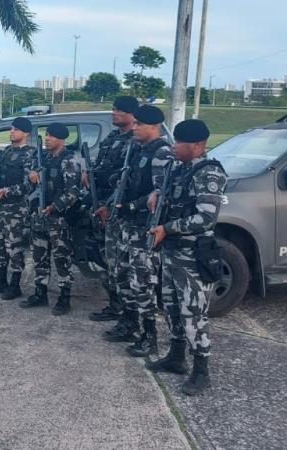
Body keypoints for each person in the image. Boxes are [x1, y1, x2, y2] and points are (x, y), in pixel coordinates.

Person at [146, 119, 227, 396]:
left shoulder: (209, 172)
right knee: (171, 306)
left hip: (192, 255)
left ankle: (201, 371)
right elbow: (169, 196)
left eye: (180, 143)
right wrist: (156, 193)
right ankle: (176, 356)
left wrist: (167, 228)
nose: (175, 146)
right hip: (171, 252)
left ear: (198, 145)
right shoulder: (179, 168)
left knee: (193, 312)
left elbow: (206, 217)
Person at [112, 105, 177, 357]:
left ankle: (150, 336)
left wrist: (133, 205)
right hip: (127, 225)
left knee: (143, 282)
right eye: (135, 123)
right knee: (123, 275)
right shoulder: (136, 149)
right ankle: (129, 322)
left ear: (154, 126)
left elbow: (161, 194)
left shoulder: (161, 153)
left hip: (144, 229)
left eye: (139, 124)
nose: (134, 128)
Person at [87, 96, 140, 322]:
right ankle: (115, 303)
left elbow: (127, 181)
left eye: (118, 110)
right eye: (113, 109)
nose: (113, 113)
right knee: (104, 258)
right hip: (99, 202)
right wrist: (88, 172)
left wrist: (110, 205)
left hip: (117, 207)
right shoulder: (112, 137)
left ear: (132, 115)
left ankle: (127, 310)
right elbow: (100, 165)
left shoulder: (135, 141)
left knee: (121, 262)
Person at [22, 123, 81, 315]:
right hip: (39, 216)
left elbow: (73, 192)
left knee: (62, 259)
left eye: (51, 136)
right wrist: (31, 177)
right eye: (46, 135)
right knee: (39, 257)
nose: (47, 139)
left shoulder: (68, 160)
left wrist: (54, 206)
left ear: (61, 139)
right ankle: (40, 293)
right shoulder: (41, 159)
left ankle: (64, 298)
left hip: (58, 219)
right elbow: (28, 186)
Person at [0, 117, 33, 300]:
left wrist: (9, 191)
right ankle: (1, 279)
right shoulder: (5, 151)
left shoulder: (30, 154)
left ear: (25, 133)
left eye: (16, 129)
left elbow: (29, 185)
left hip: (15, 208)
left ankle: (15, 284)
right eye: (11, 129)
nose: (12, 132)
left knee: (14, 246)